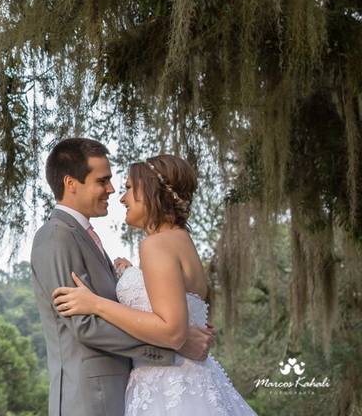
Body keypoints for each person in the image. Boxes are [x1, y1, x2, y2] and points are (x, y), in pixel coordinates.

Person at [52, 154, 256, 415]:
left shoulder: (156, 245)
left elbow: (172, 331)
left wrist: (96, 304)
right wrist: (131, 273)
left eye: (128, 188)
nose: (121, 197)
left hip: (166, 386)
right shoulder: (181, 240)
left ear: (149, 190)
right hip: (193, 380)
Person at [31, 139, 215, 416]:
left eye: (123, 185)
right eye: (102, 181)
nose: (113, 190)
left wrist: (129, 280)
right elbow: (85, 325)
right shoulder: (56, 235)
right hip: (90, 398)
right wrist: (175, 343)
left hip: (144, 391)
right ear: (71, 184)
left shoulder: (97, 238)